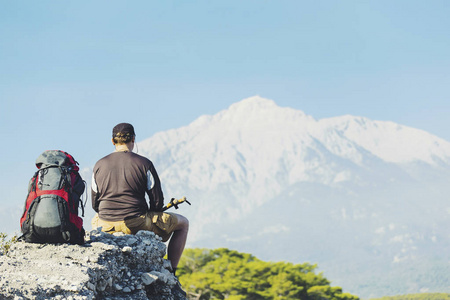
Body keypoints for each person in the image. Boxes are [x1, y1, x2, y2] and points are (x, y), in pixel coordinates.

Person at [91, 123, 189, 275]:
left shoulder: (99, 164)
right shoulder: (144, 163)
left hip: (105, 224)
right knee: (183, 223)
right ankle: (172, 271)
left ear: (112, 141)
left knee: (96, 217)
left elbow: (95, 204)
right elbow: (157, 202)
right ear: (134, 139)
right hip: (135, 223)